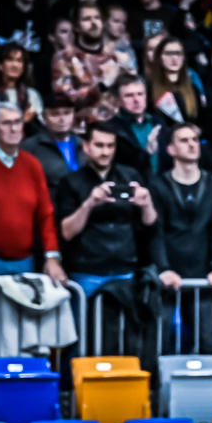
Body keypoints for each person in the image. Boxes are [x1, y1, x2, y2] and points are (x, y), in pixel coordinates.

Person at [53, 122, 156, 298]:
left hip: (126, 268)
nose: (105, 152)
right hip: (86, 270)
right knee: (85, 317)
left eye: (110, 146)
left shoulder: (131, 176)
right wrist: (89, 204)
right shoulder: (70, 182)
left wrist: (147, 204)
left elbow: (150, 225)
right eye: (99, 145)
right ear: (86, 147)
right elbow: (66, 232)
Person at [150, 121, 212, 333]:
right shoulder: (158, 185)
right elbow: (156, 232)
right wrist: (163, 268)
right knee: (159, 340)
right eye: (184, 140)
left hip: (204, 275)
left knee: (208, 340)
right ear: (171, 149)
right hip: (168, 274)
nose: (192, 144)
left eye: (195, 139)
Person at [0, 102, 64, 284]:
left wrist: (52, 257)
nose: (14, 128)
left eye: (17, 122)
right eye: (6, 123)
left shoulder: (32, 165)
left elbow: (46, 215)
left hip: (25, 262)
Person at [53, 2, 132, 124]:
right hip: (82, 126)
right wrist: (97, 86)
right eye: (87, 19)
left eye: (97, 18)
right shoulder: (64, 58)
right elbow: (66, 99)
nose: (94, 23)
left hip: (118, 126)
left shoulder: (116, 57)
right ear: (76, 27)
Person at [102, 73, 161, 173]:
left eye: (140, 94)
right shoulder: (111, 129)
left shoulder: (158, 122)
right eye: (129, 95)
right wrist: (147, 152)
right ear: (118, 100)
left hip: (162, 181)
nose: (136, 100)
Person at [21, 101, 82, 197]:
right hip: (49, 201)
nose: (62, 119)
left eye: (67, 113)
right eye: (55, 114)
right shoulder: (30, 147)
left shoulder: (83, 144)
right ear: (44, 118)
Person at [0, 42, 43, 122]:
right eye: (10, 60)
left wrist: (28, 122)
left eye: (19, 60)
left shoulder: (31, 95)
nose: (15, 65)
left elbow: (41, 126)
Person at [147, 35, 205, 123]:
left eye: (178, 53)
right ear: (159, 57)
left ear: (184, 57)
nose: (174, 58)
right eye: (168, 53)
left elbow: (201, 121)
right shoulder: (149, 89)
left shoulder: (193, 89)